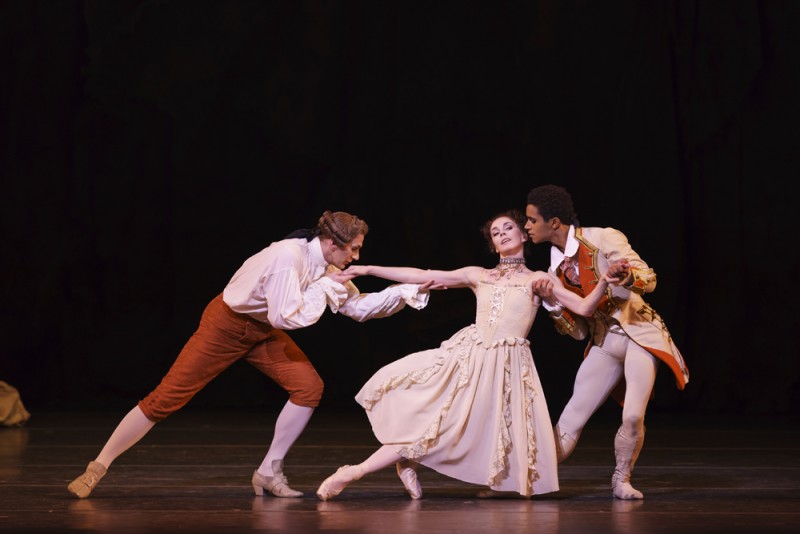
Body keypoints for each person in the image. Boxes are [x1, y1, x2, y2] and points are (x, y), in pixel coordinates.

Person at [67, 210, 435, 499]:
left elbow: (357, 308)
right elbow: (286, 316)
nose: (358, 255)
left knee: (308, 388)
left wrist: (407, 290)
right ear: (330, 242)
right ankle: (98, 465)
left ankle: (268, 471)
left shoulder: (326, 264)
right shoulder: (286, 258)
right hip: (226, 325)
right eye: (353, 248)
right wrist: (324, 286)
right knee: (166, 398)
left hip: (260, 331)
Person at [314, 209, 622, 501]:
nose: (502, 234)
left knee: (458, 428)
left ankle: (407, 460)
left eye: (508, 228)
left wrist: (605, 283)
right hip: (468, 357)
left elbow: (583, 308)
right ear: (492, 243)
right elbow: (423, 275)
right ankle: (353, 472)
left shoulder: (538, 279)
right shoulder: (479, 275)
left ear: (524, 235)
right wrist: (368, 269)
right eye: (495, 232)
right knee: (432, 417)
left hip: (506, 366)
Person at [524, 184, 690, 500]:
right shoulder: (552, 270)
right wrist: (554, 306)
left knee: (632, 414)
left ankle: (621, 479)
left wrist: (625, 276)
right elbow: (579, 333)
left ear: (554, 222)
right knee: (570, 418)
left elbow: (648, 278)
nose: (527, 226)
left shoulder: (604, 237)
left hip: (639, 333)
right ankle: (529, 478)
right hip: (604, 342)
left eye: (532, 220)